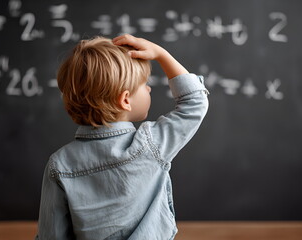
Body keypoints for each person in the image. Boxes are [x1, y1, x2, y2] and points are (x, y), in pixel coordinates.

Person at [35, 34, 209, 240]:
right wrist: (161, 54)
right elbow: (194, 102)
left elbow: (51, 236)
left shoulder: (59, 164)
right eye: (144, 83)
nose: (149, 88)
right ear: (125, 100)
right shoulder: (150, 146)